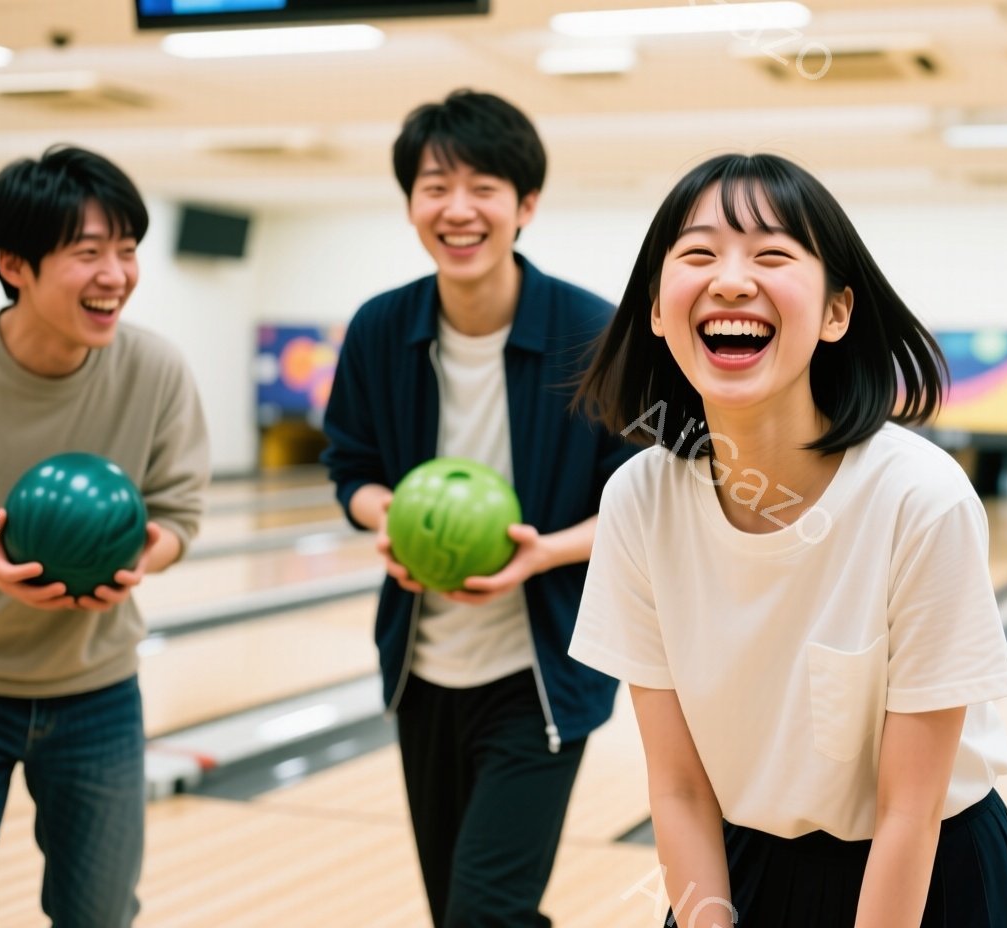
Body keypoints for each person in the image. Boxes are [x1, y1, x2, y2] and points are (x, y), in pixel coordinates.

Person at [571, 153, 1007, 927]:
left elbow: (908, 812)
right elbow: (681, 791)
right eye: (697, 254)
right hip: (733, 868)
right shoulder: (638, 501)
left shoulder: (920, 499)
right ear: (657, 310)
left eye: (771, 254)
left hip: (929, 874)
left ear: (836, 313)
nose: (730, 279)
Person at [320, 88, 634, 926]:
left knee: (483, 913)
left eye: (484, 186)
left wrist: (545, 550)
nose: (458, 209)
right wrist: (381, 513)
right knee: (459, 911)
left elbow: (647, 507)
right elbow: (348, 465)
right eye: (435, 186)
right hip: (421, 672)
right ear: (411, 204)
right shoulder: (381, 329)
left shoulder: (592, 335)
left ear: (525, 204)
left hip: (541, 678)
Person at [0, 145, 209, 926]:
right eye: (87, 253)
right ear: (15, 264)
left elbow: (178, 516)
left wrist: (145, 555)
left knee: (101, 913)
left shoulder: (156, 369)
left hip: (97, 693)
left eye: (126, 249)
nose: (116, 273)